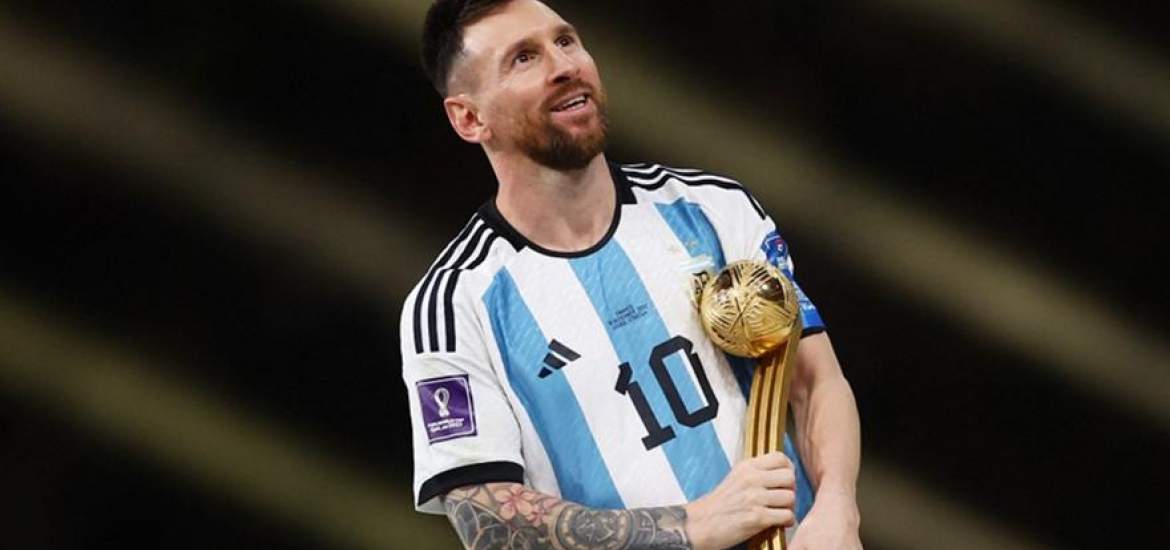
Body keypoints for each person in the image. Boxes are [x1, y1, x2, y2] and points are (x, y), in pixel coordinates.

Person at [401, 1, 862, 548]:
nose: (563, 65)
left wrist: (837, 507)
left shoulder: (712, 208)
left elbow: (814, 380)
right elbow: (487, 518)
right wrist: (693, 525)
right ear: (469, 118)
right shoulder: (454, 305)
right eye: (524, 58)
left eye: (565, 41)